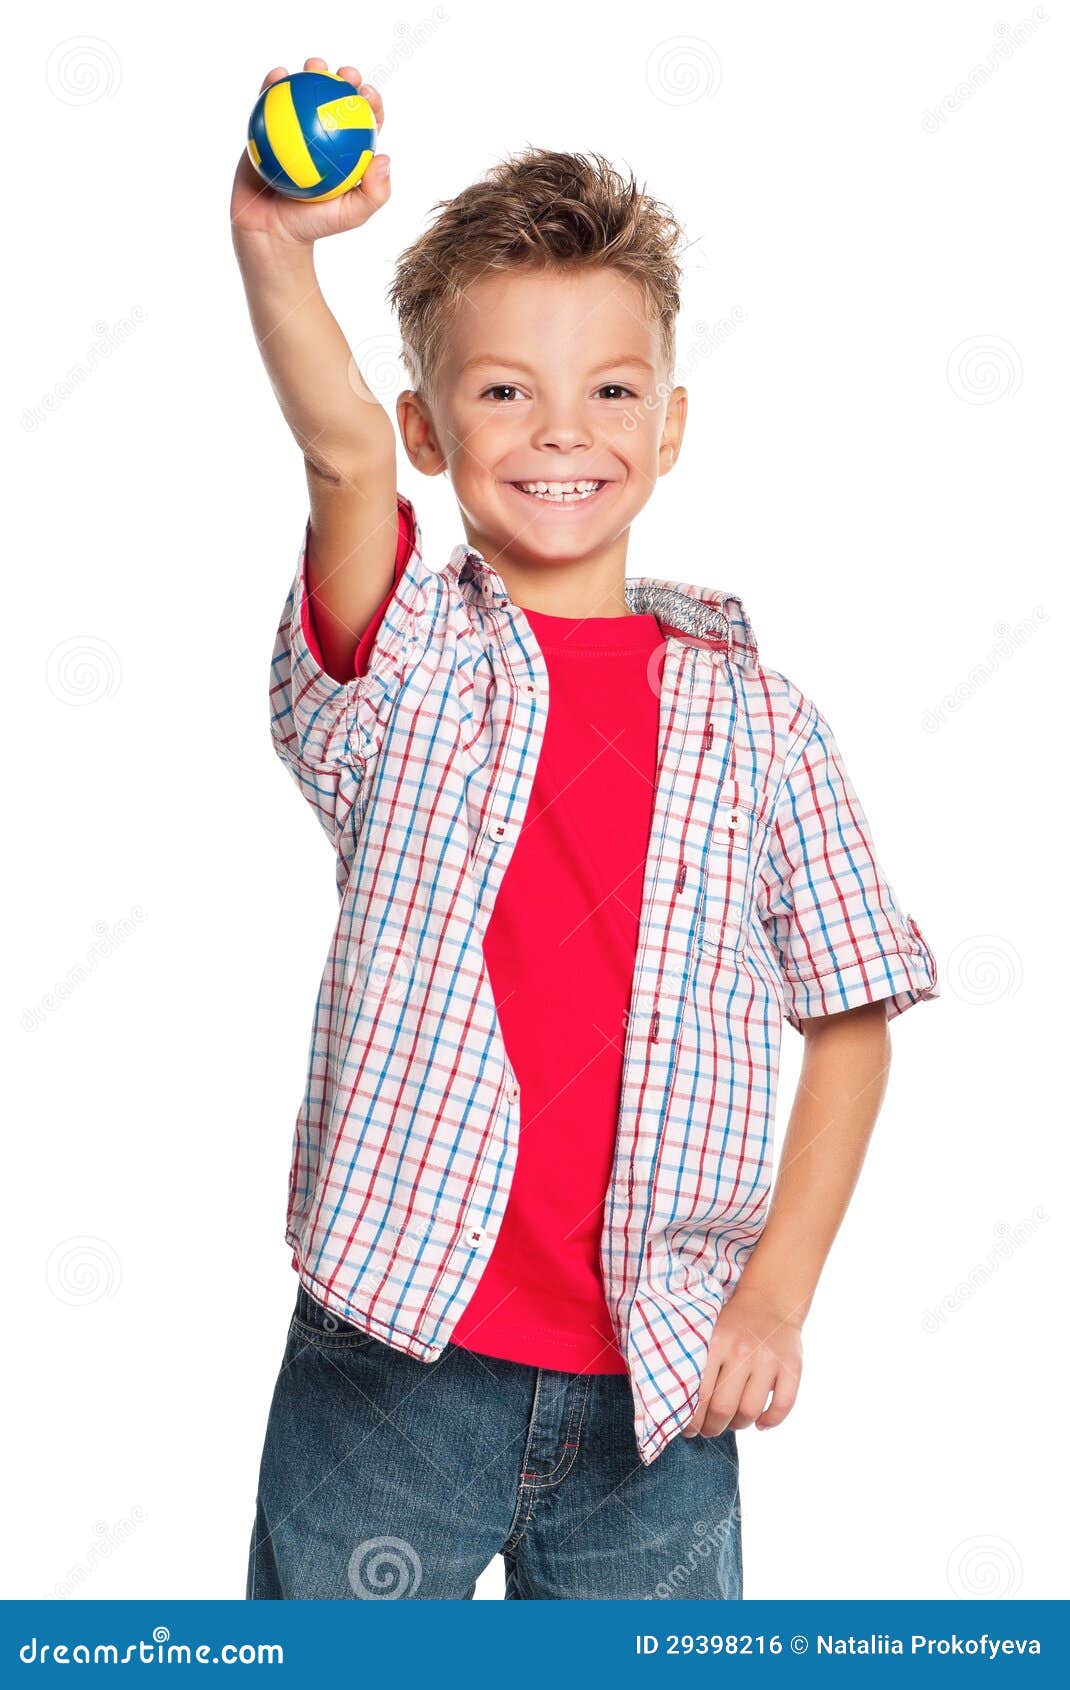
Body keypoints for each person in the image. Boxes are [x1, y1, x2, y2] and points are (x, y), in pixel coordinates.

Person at [232, 58, 938, 1602]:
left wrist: (772, 1297)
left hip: (661, 1390)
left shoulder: (759, 720)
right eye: (504, 389)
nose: (564, 431)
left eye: (610, 388)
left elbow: (852, 1018)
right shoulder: (406, 671)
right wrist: (275, 248)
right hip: (392, 1360)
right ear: (429, 424)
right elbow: (337, 452)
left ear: (671, 423)